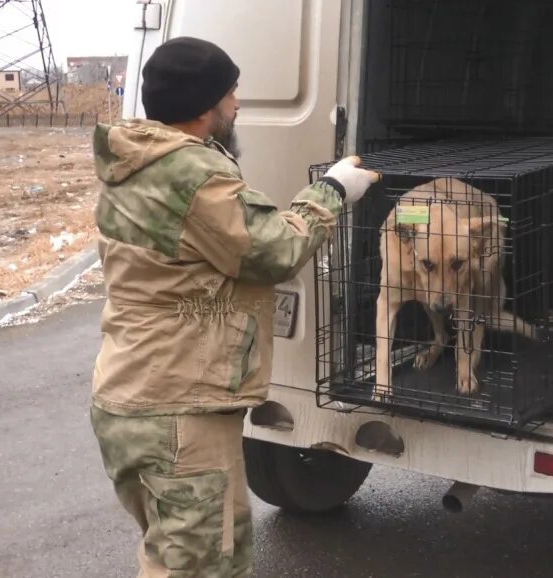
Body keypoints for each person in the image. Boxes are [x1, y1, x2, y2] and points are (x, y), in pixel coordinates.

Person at [87, 36, 378, 577]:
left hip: (130, 400)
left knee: (170, 558)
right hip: (180, 416)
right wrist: (334, 189)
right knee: (205, 568)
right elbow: (275, 251)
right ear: (204, 105)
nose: (238, 103)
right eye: (231, 92)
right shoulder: (193, 176)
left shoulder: (134, 164)